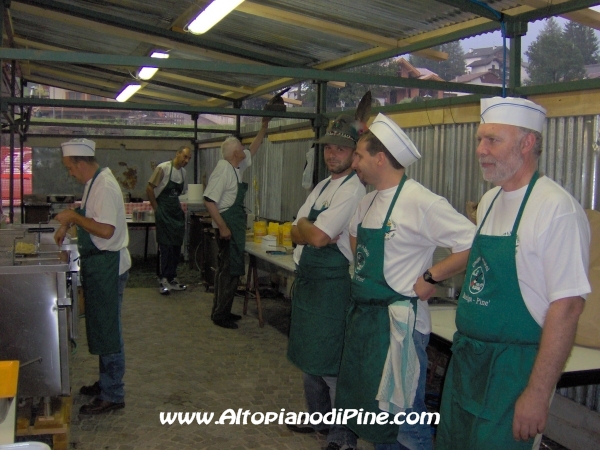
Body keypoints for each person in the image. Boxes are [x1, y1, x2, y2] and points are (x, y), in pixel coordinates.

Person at [437, 97, 591, 450]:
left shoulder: (556, 209)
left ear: (527, 143)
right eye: (479, 139)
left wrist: (537, 393)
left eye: (493, 140)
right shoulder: (490, 201)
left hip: (514, 371)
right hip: (469, 364)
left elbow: (567, 307)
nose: (481, 150)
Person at [335, 114, 476, 449]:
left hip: (400, 327)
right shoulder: (366, 202)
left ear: (380, 158)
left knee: (404, 418)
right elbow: (355, 239)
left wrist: (432, 276)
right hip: (366, 323)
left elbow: (473, 242)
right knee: (373, 413)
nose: (353, 162)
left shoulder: (420, 201)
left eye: (359, 155)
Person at [286, 114, 367, 450]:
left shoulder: (354, 191)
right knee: (310, 360)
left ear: (354, 152)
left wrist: (311, 231)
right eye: (328, 148)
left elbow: (315, 236)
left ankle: (343, 436)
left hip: (333, 287)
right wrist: (310, 231)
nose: (332, 153)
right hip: (309, 284)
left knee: (332, 364)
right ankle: (319, 418)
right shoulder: (322, 187)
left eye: (341, 148)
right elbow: (295, 229)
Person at [54, 138, 131, 415]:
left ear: (81, 163)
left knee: (109, 330)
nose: (69, 173)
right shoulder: (93, 184)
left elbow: (106, 230)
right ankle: (106, 383)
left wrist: (73, 218)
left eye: (69, 168)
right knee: (101, 326)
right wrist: (70, 226)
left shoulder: (105, 186)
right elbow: (91, 221)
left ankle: (113, 393)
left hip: (109, 266)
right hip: (99, 265)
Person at [204, 117, 270, 329]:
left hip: (233, 228)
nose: (245, 150)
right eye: (241, 147)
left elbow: (254, 148)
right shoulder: (224, 169)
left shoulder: (236, 167)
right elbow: (209, 200)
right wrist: (223, 227)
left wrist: (264, 128)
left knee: (231, 271)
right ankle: (219, 315)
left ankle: (223, 310)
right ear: (235, 154)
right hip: (227, 229)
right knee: (228, 272)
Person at [146, 145, 192, 295]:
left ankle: (172, 277)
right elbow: (149, 188)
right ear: (177, 154)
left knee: (175, 246)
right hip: (163, 211)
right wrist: (156, 208)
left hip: (175, 213)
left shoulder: (184, 173)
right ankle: (163, 279)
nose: (186, 160)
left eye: (189, 158)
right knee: (165, 246)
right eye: (185, 157)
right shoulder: (163, 168)